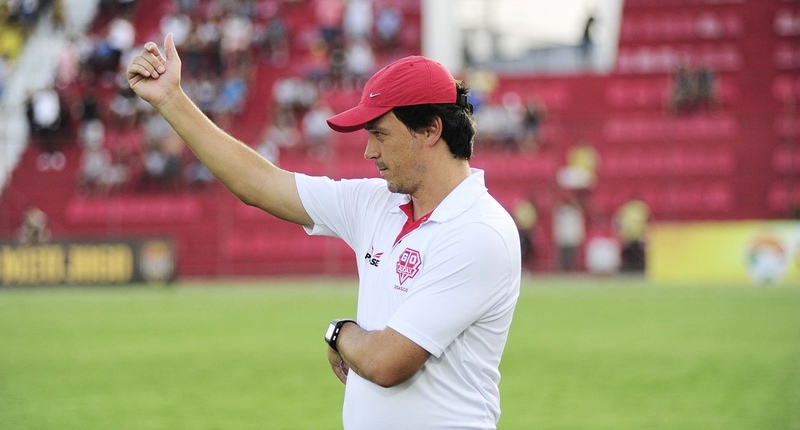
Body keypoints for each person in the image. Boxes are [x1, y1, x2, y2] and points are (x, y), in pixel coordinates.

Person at [127, 34, 521, 429]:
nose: (369, 152)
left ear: (430, 130)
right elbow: (260, 185)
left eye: (380, 133)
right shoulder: (377, 203)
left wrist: (339, 333)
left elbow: (385, 363)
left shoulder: (479, 232)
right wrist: (170, 100)